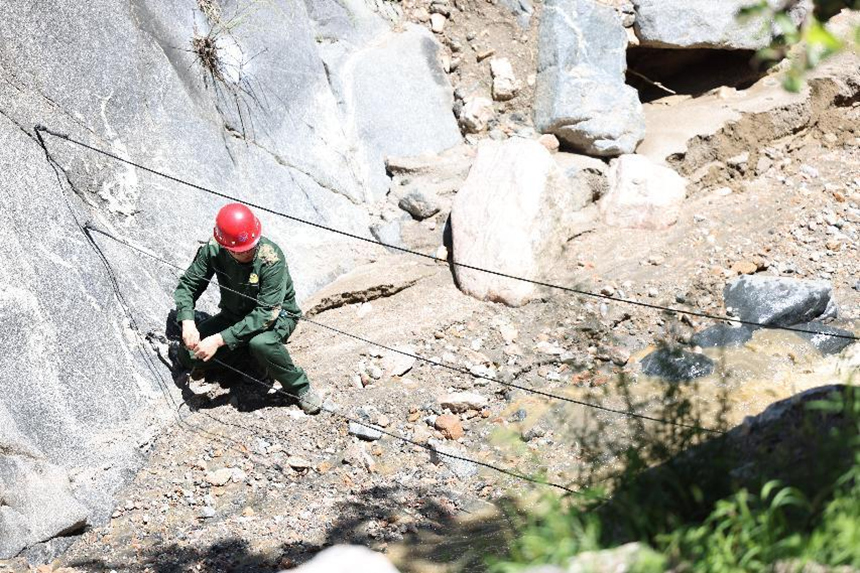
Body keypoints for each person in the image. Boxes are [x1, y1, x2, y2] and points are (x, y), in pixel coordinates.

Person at [173, 203, 321, 415]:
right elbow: (188, 285)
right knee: (189, 355)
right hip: (234, 315)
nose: (248, 252)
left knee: (260, 343)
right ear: (226, 246)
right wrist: (187, 321)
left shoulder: (271, 258)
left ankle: (300, 388)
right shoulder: (213, 250)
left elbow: (265, 315)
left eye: (252, 246)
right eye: (241, 251)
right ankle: (247, 361)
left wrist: (217, 340)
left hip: (278, 317)